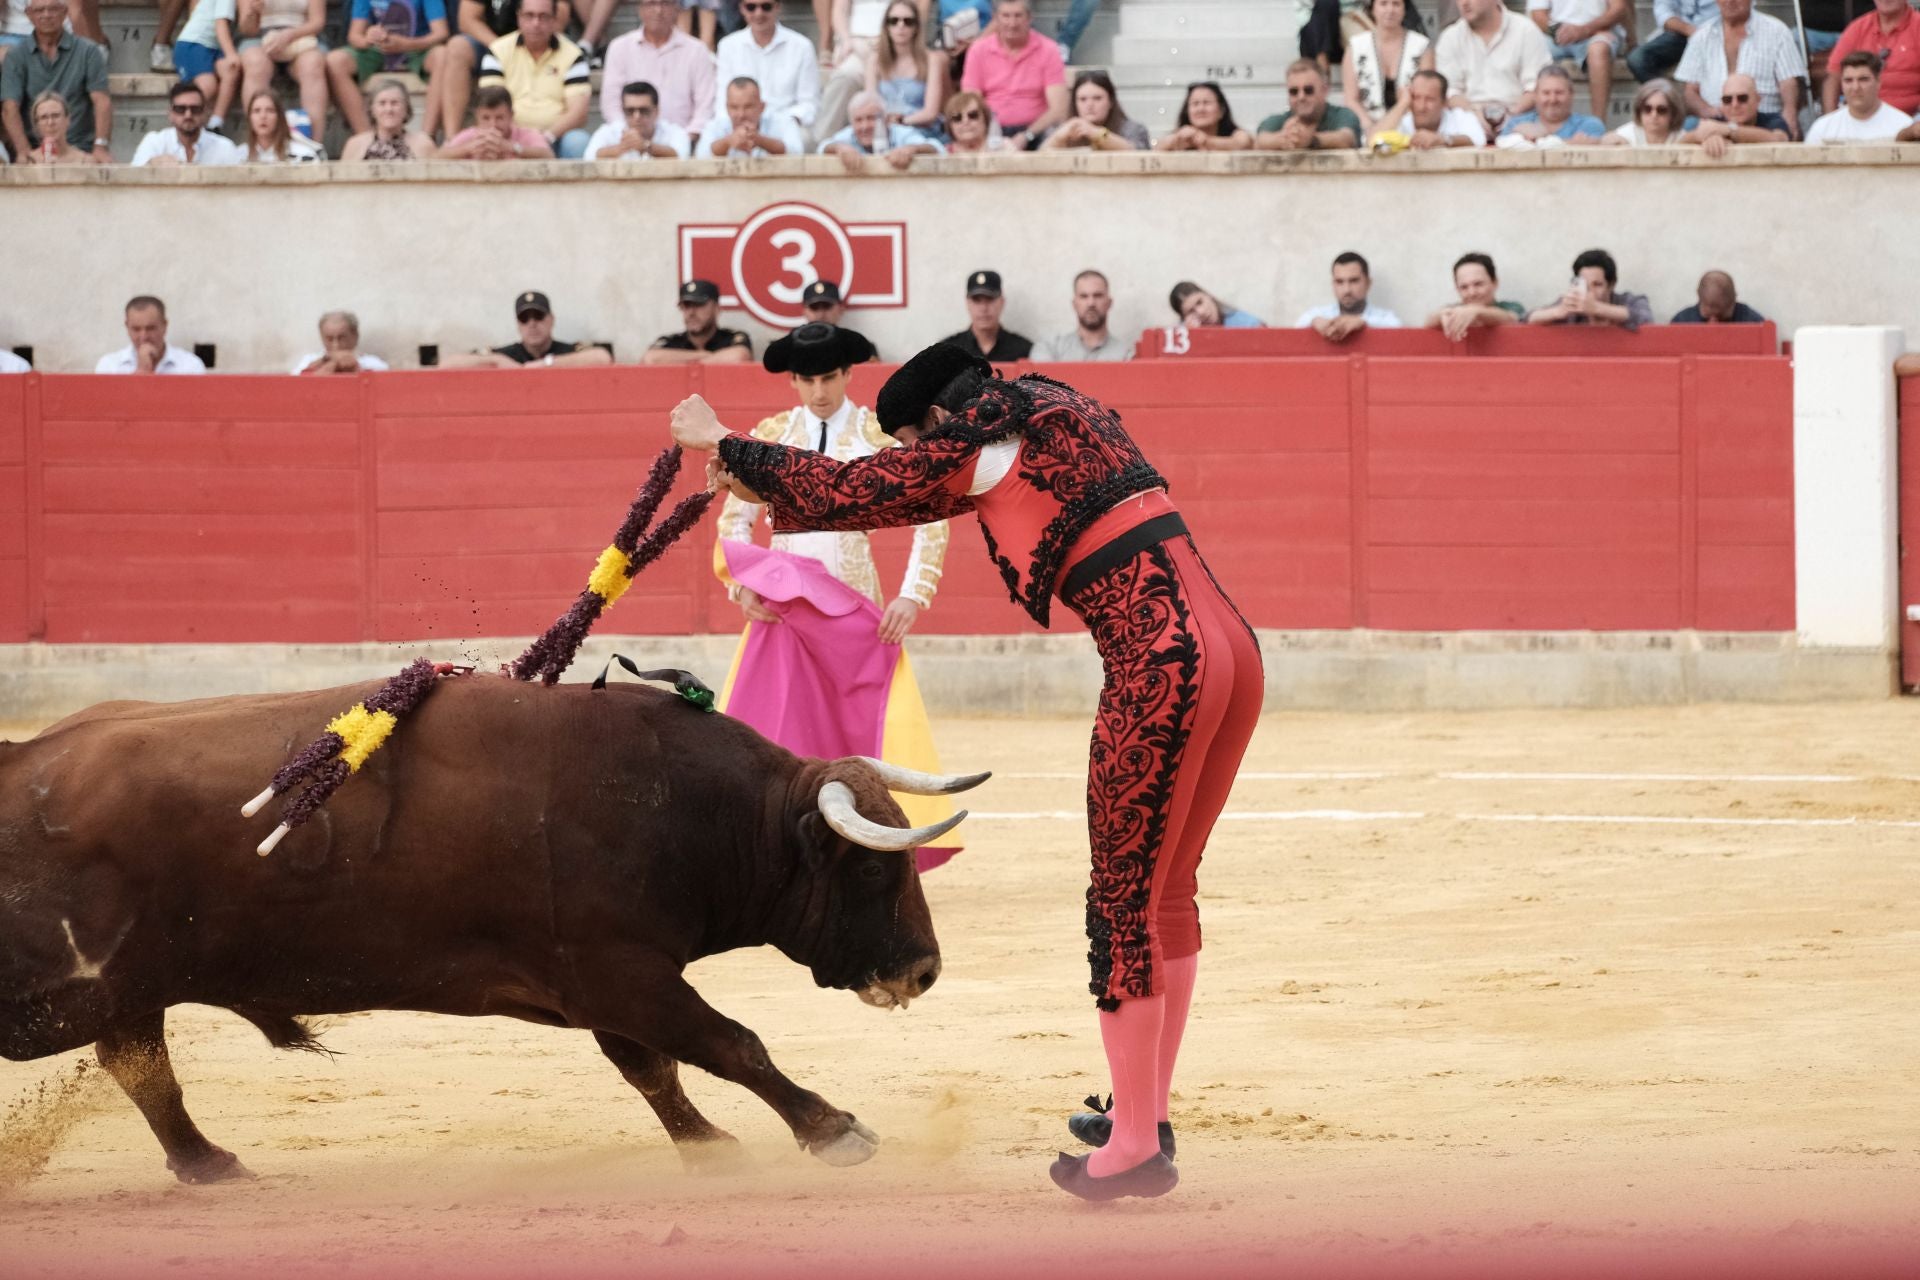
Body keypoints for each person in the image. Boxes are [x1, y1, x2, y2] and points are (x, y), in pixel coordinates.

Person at [673, 341, 1264, 1204]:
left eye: (922, 444)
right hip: (1232, 652)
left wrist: (722, 444)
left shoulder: (978, 442)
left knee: (1124, 903)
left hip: (1161, 664)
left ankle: (1135, 1145)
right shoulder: (1065, 405)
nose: (926, 465)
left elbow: (855, 494)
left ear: (943, 421)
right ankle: (1144, 1113)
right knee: (1166, 895)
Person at [711, 322, 962, 872]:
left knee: (860, 728)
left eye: (829, 377)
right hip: (784, 612)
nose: (819, 390)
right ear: (793, 381)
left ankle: (872, 844)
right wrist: (741, 584)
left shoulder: (876, 435)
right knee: (777, 732)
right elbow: (735, 517)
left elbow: (932, 511)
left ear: (848, 374)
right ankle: (777, 849)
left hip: (854, 611)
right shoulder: (770, 434)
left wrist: (913, 596)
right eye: (807, 379)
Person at [434, 0, 573, 142]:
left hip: (538, 42)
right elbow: (467, 20)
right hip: (490, 43)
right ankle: (451, 140)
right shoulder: (502, 49)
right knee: (457, 47)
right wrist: (504, 50)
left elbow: (559, 17)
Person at [0, 0, 111, 164]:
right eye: (40, 10)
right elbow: (10, 108)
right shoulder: (16, 56)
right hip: (35, 150)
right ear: (29, 15)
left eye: (53, 9)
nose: (46, 15)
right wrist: (24, 151)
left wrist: (100, 147)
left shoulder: (88, 51)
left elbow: (102, 101)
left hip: (81, 149)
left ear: (64, 13)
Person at [477, 0, 591, 157]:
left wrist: (545, 138)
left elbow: (578, 113)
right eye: (529, 16)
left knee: (579, 141)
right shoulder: (498, 50)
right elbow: (491, 103)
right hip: (509, 136)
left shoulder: (573, 54)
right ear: (519, 18)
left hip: (555, 137)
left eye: (543, 16)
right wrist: (518, 139)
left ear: (553, 19)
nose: (536, 23)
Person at [1674, 0, 1804, 138]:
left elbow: (1788, 81)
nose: (1730, 1)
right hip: (1716, 122)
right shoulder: (1701, 36)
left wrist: (1790, 113)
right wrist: (1709, 112)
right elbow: (1690, 91)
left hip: (1764, 121)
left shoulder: (1777, 31)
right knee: (1686, 130)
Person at [324, 0, 451, 139]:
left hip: (417, 48)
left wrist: (408, 44)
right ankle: (368, 139)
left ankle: (426, 138)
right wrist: (368, 38)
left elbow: (441, 32)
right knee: (335, 61)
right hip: (378, 49)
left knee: (443, 55)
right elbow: (355, 36)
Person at [599, 0, 715, 144]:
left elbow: (705, 106)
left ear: (676, 8)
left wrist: (685, 140)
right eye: (651, 3)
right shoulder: (619, 48)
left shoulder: (697, 50)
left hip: (685, 146)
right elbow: (611, 104)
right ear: (639, 8)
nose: (658, 10)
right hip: (630, 143)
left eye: (665, 3)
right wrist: (630, 136)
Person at [1433, 0, 1553, 135]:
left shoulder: (1526, 30)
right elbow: (1450, 92)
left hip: (1520, 119)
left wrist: (1511, 115)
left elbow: (1536, 88)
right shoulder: (1450, 37)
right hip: (1466, 122)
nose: (1464, 3)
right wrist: (1474, 115)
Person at [958, 0, 1065, 149]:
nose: (1012, 23)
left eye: (1018, 16)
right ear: (995, 18)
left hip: (1037, 131)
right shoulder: (978, 50)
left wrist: (1027, 135)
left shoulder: (1049, 49)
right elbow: (970, 101)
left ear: (1029, 18)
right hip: (991, 130)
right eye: (1006, 16)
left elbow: (1058, 109)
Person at [710, 0, 819, 145]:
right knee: (711, 140)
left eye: (766, 7)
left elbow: (808, 104)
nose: (758, 13)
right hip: (738, 125)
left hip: (785, 128)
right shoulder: (728, 46)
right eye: (751, 7)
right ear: (742, 9)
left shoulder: (802, 46)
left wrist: (776, 126)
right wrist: (741, 127)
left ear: (778, 7)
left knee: (801, 138)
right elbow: (722, 101)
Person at [236, 0, 332, 142]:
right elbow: (247, 30)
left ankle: (313, 145)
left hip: (302, 35)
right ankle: (258, 142)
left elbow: (317, 22)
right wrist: (253, 13)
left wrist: (289, 36)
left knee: (312, 65)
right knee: (256, 64)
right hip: (260, 37)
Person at [440, 291, 613, 368]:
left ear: (551, 320)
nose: (532, 324)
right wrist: (497, 361)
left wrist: (547, 364)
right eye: (525, 318)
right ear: (518, 324)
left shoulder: (566, 351)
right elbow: (447, 365)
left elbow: (602, 357)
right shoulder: (507, 354)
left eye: (538, 316)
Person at [1343, 0, 1433, 137]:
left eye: (1396, 4)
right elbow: (1351, 99)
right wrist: (1368, 126)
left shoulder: (1422, 46)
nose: (1390, 10)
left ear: (1404, 10)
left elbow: (1427, 94)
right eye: (1383, 3)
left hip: (1411, 129)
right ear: (1373, 9)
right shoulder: (1355, 47)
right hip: (1367, 129)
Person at [1526, 0, 1628, 120]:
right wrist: (1560, 32)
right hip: (1556, 35)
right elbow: (1538, 14)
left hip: (1597, 31)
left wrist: (1585, 30)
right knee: (1529, 48)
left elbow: (1619, 9)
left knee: (1598, 50)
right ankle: (1532, 122)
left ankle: (1598, 124)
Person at [1825, 0, 1920, 116]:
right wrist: (1831, 120)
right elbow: (1833, 77)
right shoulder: (1857, 28)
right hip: (1860, 116)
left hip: (1911, 119)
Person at [867, 0, 946, 137]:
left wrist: (901, 121)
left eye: (908, 21)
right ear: (886, 26)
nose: (901, 25)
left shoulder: (931, 59)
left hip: (920, 131)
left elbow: (931, 112)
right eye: (894, 21)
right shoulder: (875, 60)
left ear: (916, 27)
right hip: (884, 131)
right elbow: (870, 104)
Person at [1526, 247, 1654, 328]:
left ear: (1611, 284)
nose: (1589, 292)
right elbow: (1528, 318)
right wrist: (1558, 312)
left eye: (1597, 285)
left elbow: (1645, 318)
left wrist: (1597, 308)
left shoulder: (1629, 301)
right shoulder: (1572, 303)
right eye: (1584, 285)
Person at [819, 85, 940, 167]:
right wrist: (839, 148)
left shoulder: (900, 133)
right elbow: (822, 148)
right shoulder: (849, 134)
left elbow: (937, 148)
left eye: (871, 118)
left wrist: (912, 150)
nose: (864, 126)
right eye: (858, 120)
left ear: (886, 120)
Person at [642, 278, 756, 364]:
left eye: (699, 305)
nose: (691, 313)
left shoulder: (731, 338)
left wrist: (680, 361)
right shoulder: (671, 341)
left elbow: (740, 356)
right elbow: (650, 358)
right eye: (686, 306)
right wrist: (704, 355)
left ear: (716, 308)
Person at [1805, 51, 1911, 143]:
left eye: (1863, 79)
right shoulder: (1822, 129)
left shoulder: (1903, 125)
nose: (1855, 87)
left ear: (1878, 82)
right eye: (1848, 80)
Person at [1255, 58, 1362, 149]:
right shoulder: (1280, 120)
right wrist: (1284, 138)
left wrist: (1312, 140)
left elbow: (1346, 138)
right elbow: (1261, 140)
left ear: (1324, 90)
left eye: (1308, 90)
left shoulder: (1343, 115)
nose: (1301, 97)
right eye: (1294, 91)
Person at [132, 80, 244, 164]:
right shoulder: (155, 142)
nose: (188, 115)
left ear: (205, 113)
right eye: (180, 109)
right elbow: (132, 179)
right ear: (170, 114)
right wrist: (152, 163)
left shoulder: (224, 147)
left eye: (195, 109)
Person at [171, 0, 242, 132]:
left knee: (231, 70)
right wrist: (231, 54)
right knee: (208, 86)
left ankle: (215, 124)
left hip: (214, 47)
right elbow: (220, 25)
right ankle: (182, 123)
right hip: (193, 43)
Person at [1297, 252, 1403, 340]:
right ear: (1333, 284)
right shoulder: (1319, 315)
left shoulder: (1385, 317)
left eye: (1354, 281)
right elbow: (1298, 327)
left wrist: (1362, 322)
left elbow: (1397, 327)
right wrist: (1315, 321)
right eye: (1339, 282)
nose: (1346, 290)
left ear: (1368, 283)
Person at [1677, 71, 1788, 155]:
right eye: (1727, 100)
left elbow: (1779, 140)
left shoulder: (1773, 120)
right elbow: (1679, 144)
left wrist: (1729, 130)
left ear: (1757, 100)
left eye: (1742, 98)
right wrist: (1703, 136)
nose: (1735, 104)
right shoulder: (1715, 124)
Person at [1031, 269, 1130, 362]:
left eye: (1098, 296)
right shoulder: (1050, 348)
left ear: (1109, 303)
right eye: (1084, 296)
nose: (1091, 303)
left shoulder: (1126, 355)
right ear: (1074, 304)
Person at [1495, 62, 1604, 145]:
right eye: (1546, 93)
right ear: (1536, 96)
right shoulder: (1515, 124)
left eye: (1559, 93)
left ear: (1571, 94)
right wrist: (1571, 143)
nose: (1552, 99)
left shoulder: (1590, 125)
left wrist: (1540, 139)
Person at [1426, 251, 1525, 340]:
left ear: (1495, 283)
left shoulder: (1512, 307)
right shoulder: (1455, 310)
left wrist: (1477, 311)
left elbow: (1512, 319)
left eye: (1478, 284)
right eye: (1464, 287)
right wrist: (1441, 315)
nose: (1472, 293)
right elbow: (1429, 321)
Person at [1040, 67, 1147, 149]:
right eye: (1082, 99)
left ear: (1110, 101)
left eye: (1097, 98)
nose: (1089, 105)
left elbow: (1139, 152)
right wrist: (1058, 138)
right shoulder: (1058, 130)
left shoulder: (1132, 129)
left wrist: (1097, 133)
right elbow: (1038, 158)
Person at [96, 296, 208, 374]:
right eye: (136, 329)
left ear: (164, 325)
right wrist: (142, 371)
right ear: (127, 326)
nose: (143, 336)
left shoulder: (190, 365)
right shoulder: (109, 365)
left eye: (150, 328)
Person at [696, 73, 802, 153]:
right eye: (734, 107)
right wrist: (727, 142)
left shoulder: (784, 122)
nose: (741, 114)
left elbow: (797, 152)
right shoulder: (714, 126)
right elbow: (700, 157)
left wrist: (761, 140)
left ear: (762, 107)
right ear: (726, 107)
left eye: (748, 107)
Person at [1381, 67, 1486, 147]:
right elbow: (1373, 141)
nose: (1421, 107)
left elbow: (1479, 140)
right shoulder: (1400, 121)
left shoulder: (1460, 117)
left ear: (1444, 102)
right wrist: (1402, 104)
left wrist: (1442, 140)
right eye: (1416, 98)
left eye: (1429, 99)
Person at [438, 83, 553, 156]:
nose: (493, 125)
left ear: (511, 116)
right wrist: (468, 148)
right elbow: (437, 157)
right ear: (477, 117)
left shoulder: (526, 134)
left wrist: (512, 147)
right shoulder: (470, 136)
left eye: (500, 118)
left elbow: (548, 155)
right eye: (486, 118)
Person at [586, 78, 692, 156]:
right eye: (630, 111)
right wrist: (619, 149)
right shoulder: (608, 131)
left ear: (656, 111)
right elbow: (588, 158)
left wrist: (647, 147)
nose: (637, 116)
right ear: (622, 110)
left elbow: (682, 156)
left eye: (644, 110)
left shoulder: (674, 131)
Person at [944, 269, 1033, 361]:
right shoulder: (949, 352)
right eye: (977, 300)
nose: (983, 308)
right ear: (967, 303)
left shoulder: (1025, 351)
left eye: (990, 299)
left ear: (1002, 302)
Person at [340, 76, 439, 157]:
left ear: (406, 108)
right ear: (372, 110)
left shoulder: (423, 144)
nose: (389, 109)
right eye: (382, 103)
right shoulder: (355, 144)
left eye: (395, 103)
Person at [1627, 0, 1717, 83]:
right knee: (1637, 58)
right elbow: (1664, 13)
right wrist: (1691, 31)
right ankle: (1664, 96)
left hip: (1717, 34)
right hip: (1682, 34)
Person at [1153, 79, 1251, 150]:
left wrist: (1206, 141)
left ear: (1221, 111)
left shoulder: (1236, 134)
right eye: (1195, 104)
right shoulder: (1181, 137)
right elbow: (1157, 148)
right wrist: (1177, 139)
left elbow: (1242, 143)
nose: (1201, 109)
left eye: (1207, 103)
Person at [239, 88, 326, 160]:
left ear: (280, 117)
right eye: (256, 111)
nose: (263, 116)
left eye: (270, 110)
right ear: (249, 118)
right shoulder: (239, 155)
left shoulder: (304, 155)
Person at [292, 309, 391, 372]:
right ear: (322, 337)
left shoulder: (373, 363)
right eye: (329, 339)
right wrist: (325, 362)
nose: (336, 345)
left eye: (342, 338)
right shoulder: (308, 361)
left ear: (355, 336)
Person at [1604, 76, 1684, 144]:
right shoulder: (1627, 134)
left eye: (1661, 110)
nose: (1654, 115)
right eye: (1647, 109)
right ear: (1639, 111)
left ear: (1673, 113)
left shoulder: (1682, 138)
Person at [1670, 269, 1765, 323]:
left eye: (1723, 318)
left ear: (1734, 299)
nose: (1714, 323)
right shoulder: (1682, 321)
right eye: (1706, 318)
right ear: (1699, 298)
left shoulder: (1751, 320)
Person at [22, 89, 91, 161]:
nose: (50, 123)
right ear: (37, 124)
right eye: (44, 117)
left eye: (56, 115)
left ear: (67, 119)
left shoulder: (85, 161)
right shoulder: (29, 161)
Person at [1168, 281, 1263, 329]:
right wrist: (1192, 338)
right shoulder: (1181, 337)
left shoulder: (1247, 324)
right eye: (1191, 311)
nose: (1201, 312)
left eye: (1200, 302)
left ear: (1209, 296)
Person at [940, 86, 1006, 150]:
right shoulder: (943, 153)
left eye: (973, 115)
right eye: (957, 118)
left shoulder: (1004, 148)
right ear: (949, 126)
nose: (965, 121)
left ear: (986, 119)